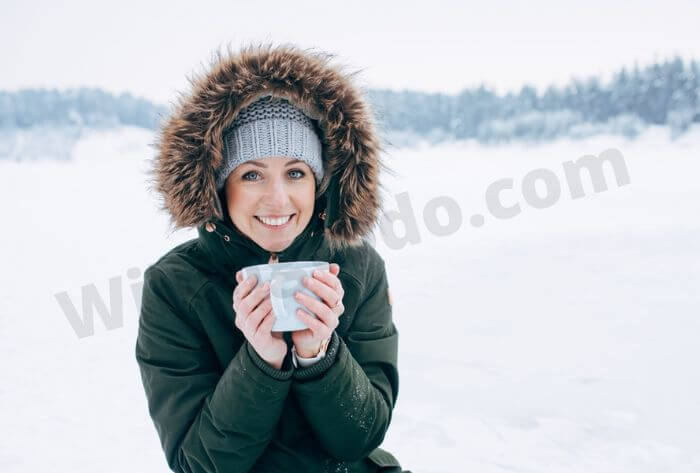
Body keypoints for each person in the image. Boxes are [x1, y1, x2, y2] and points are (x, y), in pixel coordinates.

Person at [134, 44, 410, 473]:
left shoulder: (358, 268)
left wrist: (320, 354)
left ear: (319, 183)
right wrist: (261, 362)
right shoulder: (175, 286)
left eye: (296, 172)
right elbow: (199, 465)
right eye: (252, 174)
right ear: (219, 186)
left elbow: (362, 435)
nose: (278, 199)